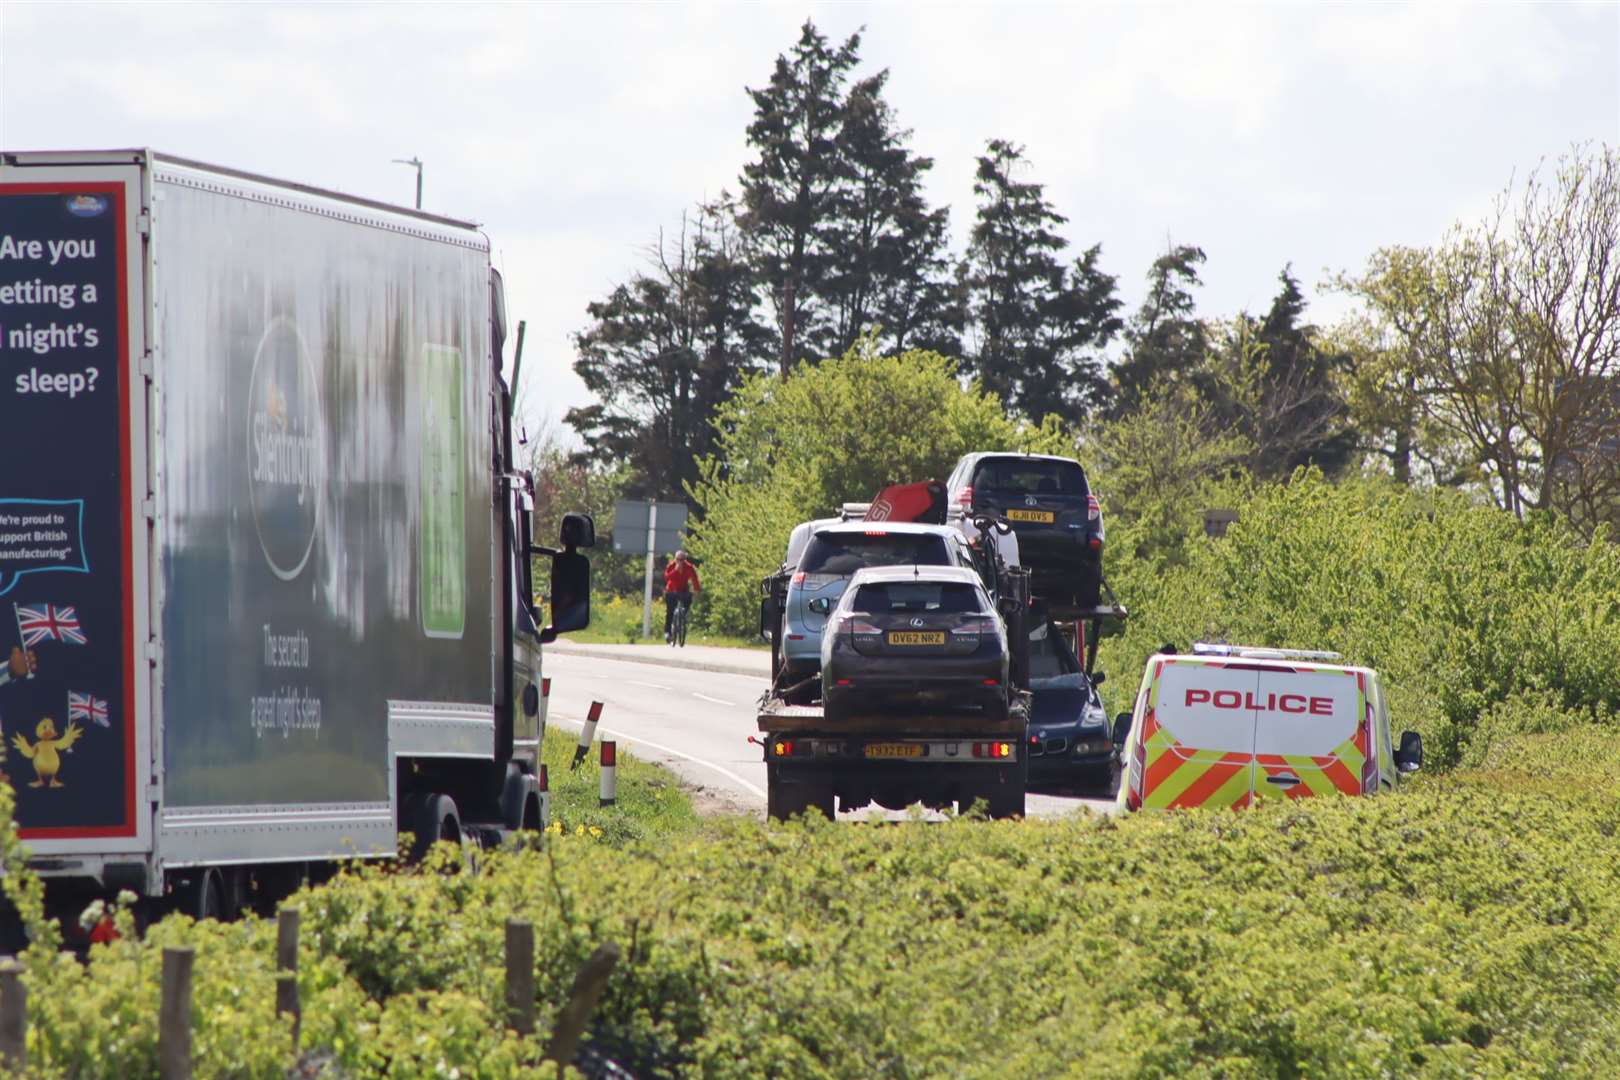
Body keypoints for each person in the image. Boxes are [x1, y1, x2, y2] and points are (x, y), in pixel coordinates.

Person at [663, 550, 700, 642]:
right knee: (670, 611)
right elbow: (667, 577)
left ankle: (683, 617)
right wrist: (675, 570)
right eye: (678, 559)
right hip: (671, 590)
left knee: (688, 599)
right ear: (675, 559)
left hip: (683, 590)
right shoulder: (671, 566)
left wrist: (696, 590)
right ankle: (668, 632)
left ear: (685, 559)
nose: (680, 562)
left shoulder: (689, 567)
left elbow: (694, 579)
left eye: (682, 559)